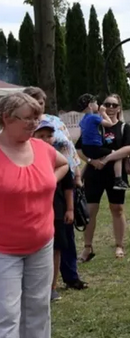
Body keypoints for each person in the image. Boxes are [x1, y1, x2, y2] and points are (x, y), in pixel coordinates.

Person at [0, 92, 69, 338]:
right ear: (6, 119)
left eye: (36, 118)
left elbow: (65, 163)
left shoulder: (42, 149)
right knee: (7, 318)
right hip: (4, 250)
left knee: (38, 312)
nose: (33, 125)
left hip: (41, 245)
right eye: (27, 119)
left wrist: (50, 180)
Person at [22, 86, 88, 291]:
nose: (38, 106)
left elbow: (69, 147)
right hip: (38, 182)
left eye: (40, 103)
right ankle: (44, 284)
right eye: (33, 102)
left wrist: (76, 174)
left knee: (65, 235)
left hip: (63, 181)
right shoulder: (25, 125)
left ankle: (71, 276)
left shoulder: (55, 122)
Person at [77, 94, 130, 261]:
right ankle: (87, 248)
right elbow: (80, 148)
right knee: (90, 210)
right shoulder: (95, 124)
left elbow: (129, 149)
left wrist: (107, 158)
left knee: (117, 209)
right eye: (107, 104)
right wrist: (91, 161)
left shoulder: (123, 128)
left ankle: (119, 245)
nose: (110, 107)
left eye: (113, 105)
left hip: (115, 175)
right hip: (94, 174)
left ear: (118, 108)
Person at [33, 120, 76, 302]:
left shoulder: (58, 159)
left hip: (57, 211)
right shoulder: (28, 157)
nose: (45, 139)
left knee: (56, 248)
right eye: (40, 136)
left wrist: (70, 209)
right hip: (35, 212)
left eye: (49, 136)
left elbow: (68, 187)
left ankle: (52, 286)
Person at [77, 93, 129, 191]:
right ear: (90, 105)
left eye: (114, 105)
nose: (98, 105)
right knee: (117, 154)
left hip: (87, 148)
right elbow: (109, 124)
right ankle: (118, 179)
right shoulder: (94, 117)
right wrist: (103, 113)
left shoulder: (83, 120)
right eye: (96, 103)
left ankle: (80, 178)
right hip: (95, 147)